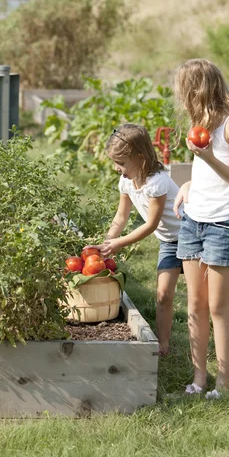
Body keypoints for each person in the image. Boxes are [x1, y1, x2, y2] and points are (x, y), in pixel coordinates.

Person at [173, 59, 229, 399]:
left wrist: (207, 159)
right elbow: (208, 172)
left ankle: (223, 380)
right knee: (195, 305)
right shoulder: (199, 121)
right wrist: (190, 182)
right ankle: (199, 378)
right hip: (194, 220)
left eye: (183, 90)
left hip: (224, 224)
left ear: (198, 90)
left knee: (218, 305)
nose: (180, 98)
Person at [86, 123, 183, 357]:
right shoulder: (127, 182)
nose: (117, 169)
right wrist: (109, 240)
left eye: (121, 163)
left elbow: (150, 225)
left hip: (192, 237)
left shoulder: (157, 182)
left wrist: (120, 243)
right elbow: (121, 217)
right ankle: (163, 345)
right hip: (170, 242)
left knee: (205, 298)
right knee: (163, 295)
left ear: (140, 157)